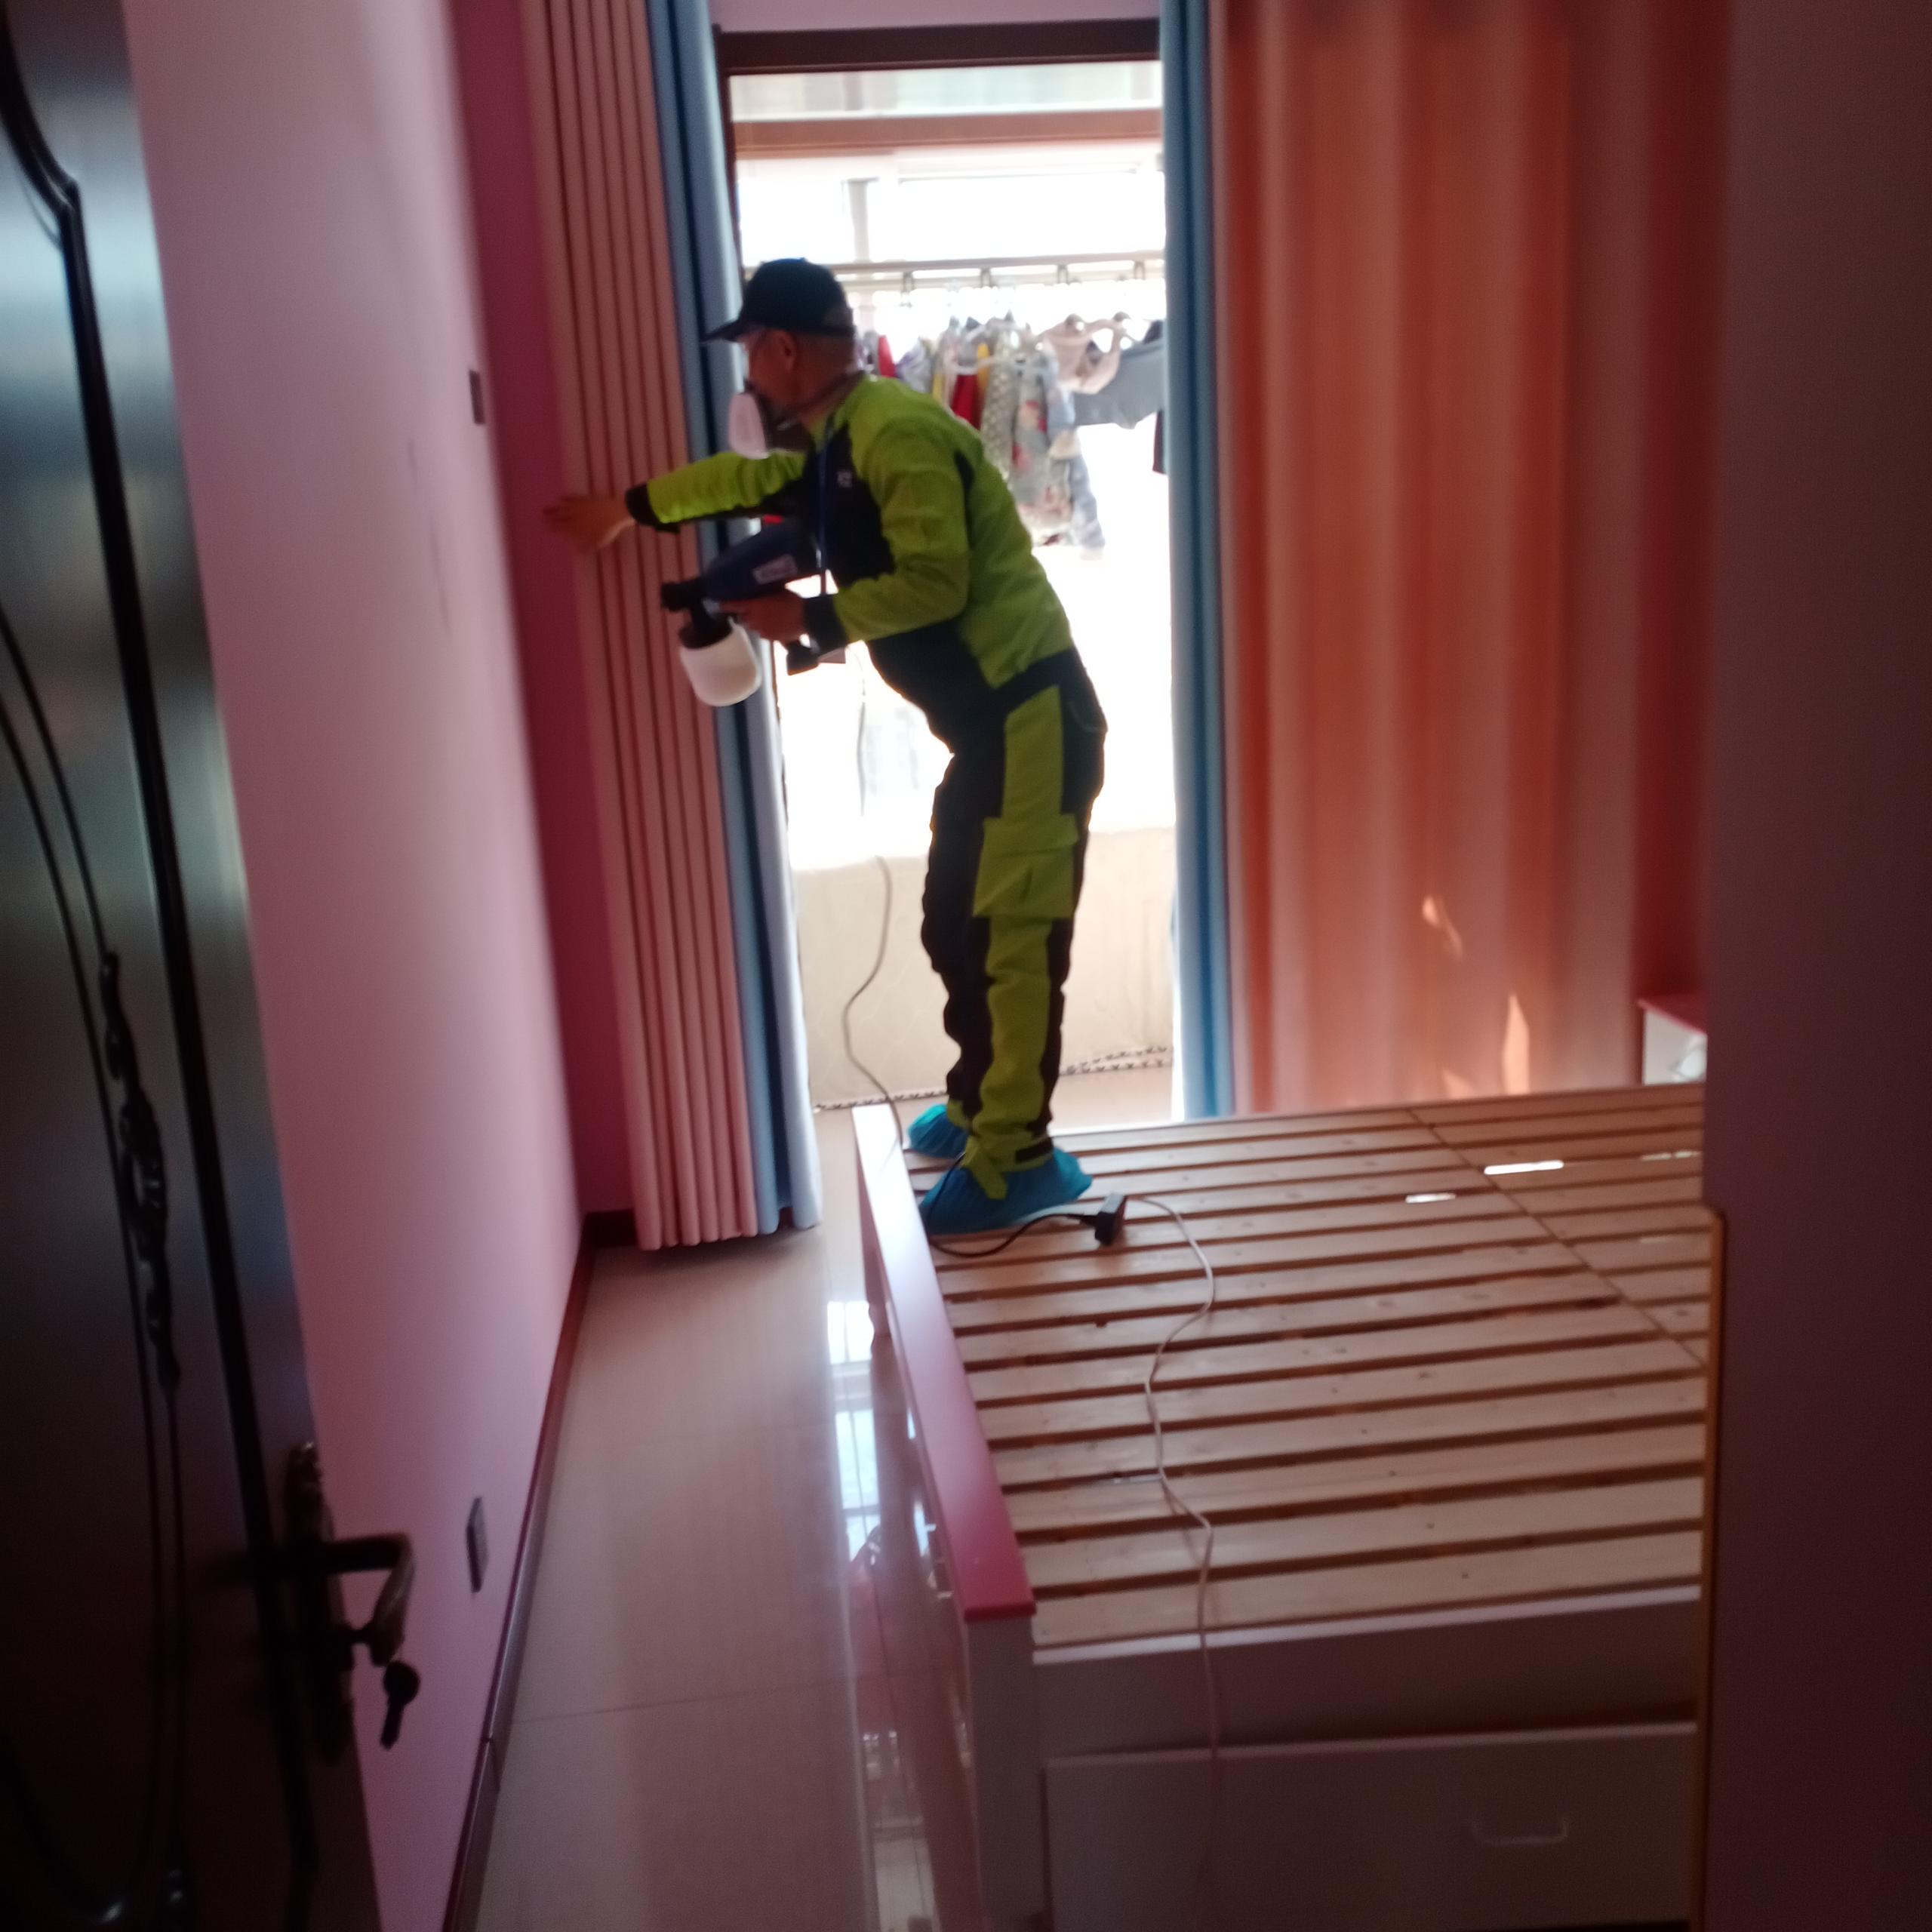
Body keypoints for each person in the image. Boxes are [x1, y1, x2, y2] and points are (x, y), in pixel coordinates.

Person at [546, 259, 1106, 1236]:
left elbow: (936, 580)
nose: (748, 379)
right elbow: (744, 479)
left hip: (1032, 719)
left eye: (750, 356)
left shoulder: (896, 431)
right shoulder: (838, 439)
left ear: (782, 350)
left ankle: (1019, 1155)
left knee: (1008, 938)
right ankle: (981, 1100)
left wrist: (811, 620)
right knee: (952, 921)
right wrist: (629, 510)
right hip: (990, 735)